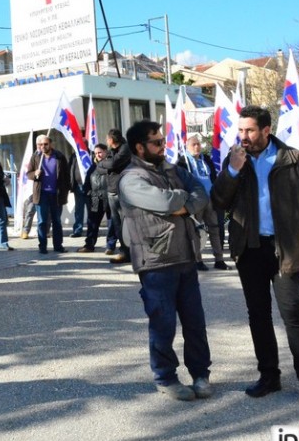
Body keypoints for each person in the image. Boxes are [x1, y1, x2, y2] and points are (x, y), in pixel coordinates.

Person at [211, 105, 299, 406]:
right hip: (250, 250)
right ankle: (269, 376)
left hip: (286, 249)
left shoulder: (293, 160)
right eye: (240, 130)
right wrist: (232, 170)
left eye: (249, 130)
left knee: (293, 317)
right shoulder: (236, 159)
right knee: (258, 316)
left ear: (265, 130)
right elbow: (219, 200)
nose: (243, 136)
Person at [118, 121, 213, 402]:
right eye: (157, 142)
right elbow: (163, 203)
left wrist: (181, 204)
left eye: (163, 141)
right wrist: (181, 202)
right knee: (163, 324)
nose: (163, 146)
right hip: (156, 260)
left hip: (185, 255)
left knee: (195, 322)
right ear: (140, 147)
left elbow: (201, 193)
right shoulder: (131, 179)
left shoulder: (173, 169)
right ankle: (165, 377)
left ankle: (200, 374)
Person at [178, 136, 230, 271]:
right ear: (187, 147)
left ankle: (219, 259)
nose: (197, 147)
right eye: (193, 145)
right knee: (196, 231)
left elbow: (212, 176)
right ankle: (197, 260)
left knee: (215, 228)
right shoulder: (182, 162)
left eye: (198, 144)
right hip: (195, 200)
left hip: (210, 198)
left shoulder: (205, 159)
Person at [26, 134, 71, 254]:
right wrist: (35, 173)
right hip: (41, 195)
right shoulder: (36, 157)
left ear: (51, 144)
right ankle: (42, 246)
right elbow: (28, 173)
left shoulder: (59, 157)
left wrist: (66, 191)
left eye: (45, 144)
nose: (43, 146)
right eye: (40, 144)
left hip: (56, 195)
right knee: (42, 221)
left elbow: (67, 175)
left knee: (56, 221)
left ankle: (58, 245)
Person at [97, 128, 132, 264]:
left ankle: (133, 251)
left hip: (124, 192)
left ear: (112, 140)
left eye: (107, 139)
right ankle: (124, 252)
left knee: (127, 224)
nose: (106, 141)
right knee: (117, 225)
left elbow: (111, 163)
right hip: (111, 192)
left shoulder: (125, 149)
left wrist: (106, 165)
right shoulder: (111, 151)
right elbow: (99, 168)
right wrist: (106, 165)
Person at [77, 143, 117, 254]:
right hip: (95, 198)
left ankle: (110, 246)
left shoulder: (112, 164)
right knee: (92, 223)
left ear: (106, 152)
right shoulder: (93, 166)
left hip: (110, 198)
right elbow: (86, 183)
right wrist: (88, 193)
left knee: (112, 224)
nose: (98, 155)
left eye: (100, 152)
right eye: (95, 153)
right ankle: (89, 245)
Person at [68, 145, 86, 237]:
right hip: (78, 187)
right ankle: (78, 230)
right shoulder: (74, 155)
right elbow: (70, 169)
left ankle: (93, 229)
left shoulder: (90, 155)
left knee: (93, 210)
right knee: (79, 209)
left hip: (90, 186)